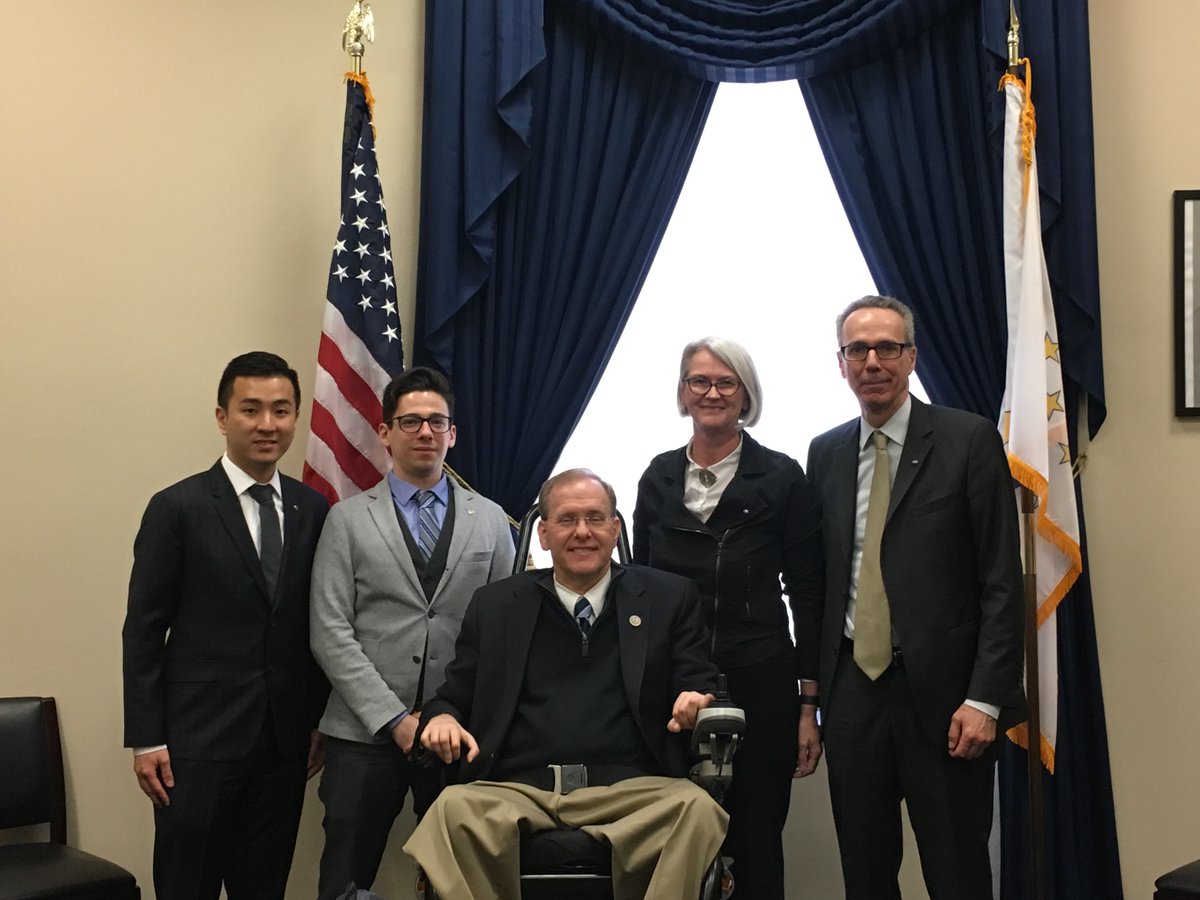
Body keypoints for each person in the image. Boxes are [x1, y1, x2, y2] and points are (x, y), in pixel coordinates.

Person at [403, 469, 728, 900]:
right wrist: (441, 718)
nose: (582, 532)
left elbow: (696, 679)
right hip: (520, 788)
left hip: (632, 789)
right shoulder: (497, 605)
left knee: (699, 810)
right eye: (567, 520)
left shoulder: (668, 598)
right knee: (449, 813)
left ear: (615, 530)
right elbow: (454, 695)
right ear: (543, 533)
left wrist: (693, 700)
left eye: (595, 519)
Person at [805, 295, 1024, 899]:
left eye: (887, 348)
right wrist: (813, 699)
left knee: (956, 872)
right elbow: (820, 585)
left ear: (912, 357)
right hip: (853, 696)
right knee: (866, 874)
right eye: (858, 349)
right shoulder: (824, 453)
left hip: (949, 700)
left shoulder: (968, 439)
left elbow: (1002, 583)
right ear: (842, 363)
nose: (872, 361)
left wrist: (986, 697)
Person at [122, 351, 330, 900]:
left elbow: (320, 623)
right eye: (251, 409)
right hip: (195, 746)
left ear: (296, 417)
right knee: (186, 886)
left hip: (284, 747)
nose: (268, 424)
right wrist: (146, 738)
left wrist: (315, 720)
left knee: (262, 888)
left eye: (282, 410)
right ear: (222, 417)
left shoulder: (314, 510)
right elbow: (143, 628)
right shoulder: (178, 508)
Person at [309, 366, 516, 900]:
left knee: (461, 878)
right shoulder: (347, 519)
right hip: (363, 733)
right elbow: (329, 630)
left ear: (453, 434)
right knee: (345, 877)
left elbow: (504, 631)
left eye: (436, 422)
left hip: (458, 731)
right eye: (410, 421)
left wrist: (452, 713)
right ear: (385, 432)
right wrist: (395, 720)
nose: (424, 432)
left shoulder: (492, 521)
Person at [632, 336, 824, 900]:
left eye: (726, 383)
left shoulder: (783, 478)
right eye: (699, 382)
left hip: (762, 679)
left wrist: (809, 706)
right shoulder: (659, 477)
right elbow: (639, 590)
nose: (711, 393)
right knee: (673, 835)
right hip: (673, 682)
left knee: (757, 836)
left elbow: (807, 596)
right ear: (683, 393)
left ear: (746, 396)